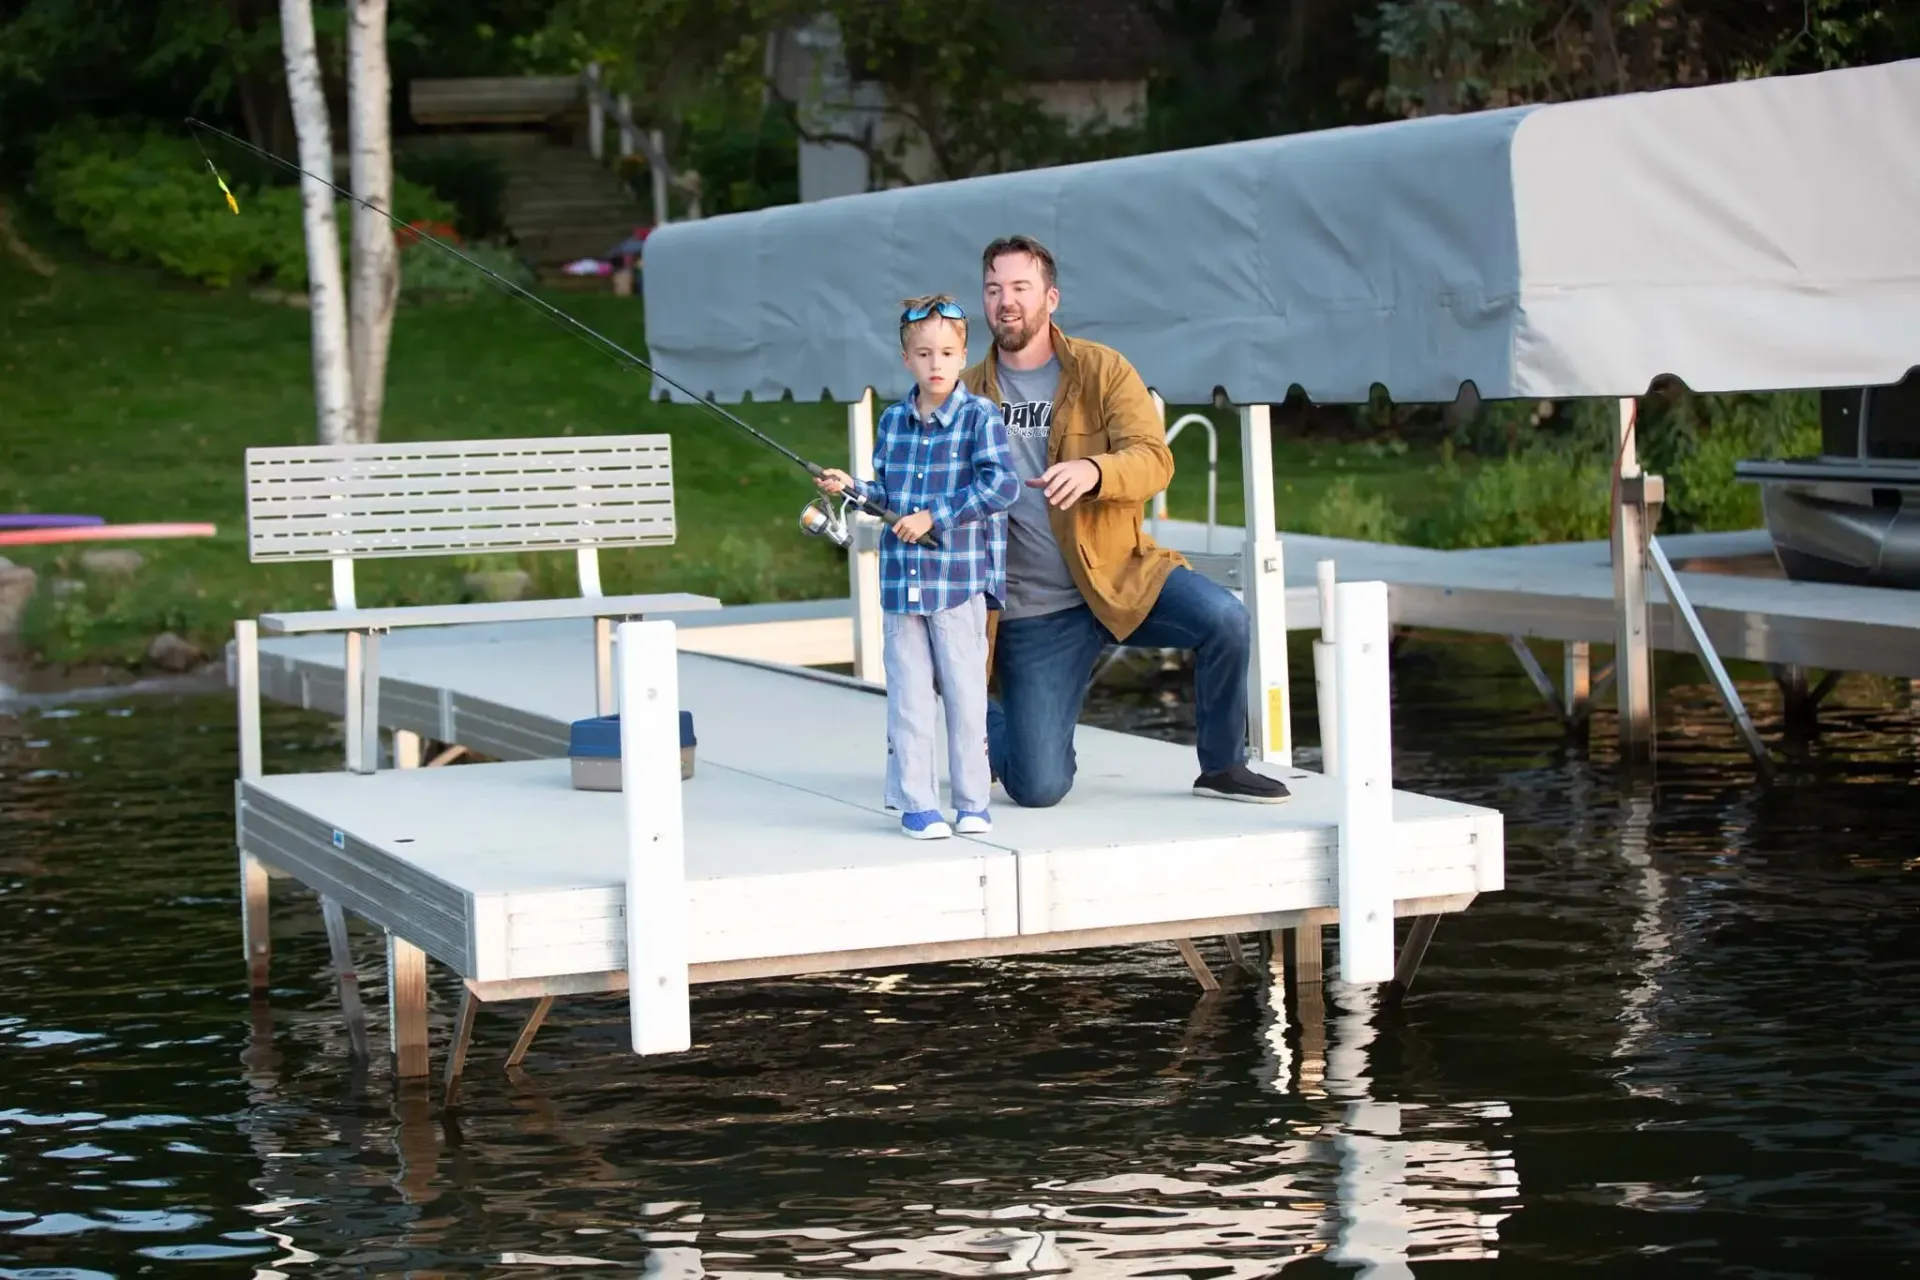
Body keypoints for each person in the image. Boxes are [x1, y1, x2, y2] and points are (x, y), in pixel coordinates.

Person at [959, 234, 1291, 808]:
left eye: (1020, 287)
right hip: (1035, 609)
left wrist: (1094, 470)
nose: (1005, 302)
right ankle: (975, 716)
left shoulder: (1103, 369)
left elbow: (1154, 459)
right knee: (1039, 789)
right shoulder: (964, 393)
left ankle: (1222, 765)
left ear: (1051, 297)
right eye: (993, 290)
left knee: (1226, 620)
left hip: (1120, 578)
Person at [817, 294, 1020, 839]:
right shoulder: (893, 421)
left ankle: (973, 802)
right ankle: (917, 805)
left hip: (957, 584)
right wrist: (851, 488)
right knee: (909, 699)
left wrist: (936, 516)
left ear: (963, 357)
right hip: (901, 585)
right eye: (924, 354)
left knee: (965, 697)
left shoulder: (979, 416)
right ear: (907, 359)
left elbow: (1002, 485)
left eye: (947, 353)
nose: (936, 364)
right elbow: (886, 494)